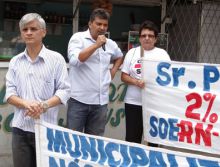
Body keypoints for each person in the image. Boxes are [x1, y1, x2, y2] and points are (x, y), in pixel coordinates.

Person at [5, 13, 70, 167]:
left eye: (33, 28)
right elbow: (9, 93)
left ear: (43, 32)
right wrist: (26, 104)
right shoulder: (15, 61)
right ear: (21, 33)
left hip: (46, 130)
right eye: (25, 29)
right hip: (20, 129)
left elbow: (64, 90)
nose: (28, 32)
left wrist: (43, 106)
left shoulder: (56, 59)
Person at [67, 8, 123, 136]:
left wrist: (112, 72)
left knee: (94, 144)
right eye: (99, 24)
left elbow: (119, 56)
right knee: (72, 142)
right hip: (78, 101)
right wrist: (96, 45)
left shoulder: (110, 44)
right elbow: (75, 61)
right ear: (90, 24)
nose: (102, 28)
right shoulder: (78, 38)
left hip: (100, 102)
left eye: (105, 25)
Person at [121, 20, 171, 144]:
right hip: (133, 103)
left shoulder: (162, 54)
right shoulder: (132, 53)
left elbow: (169, 78)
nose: (147, 38)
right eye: (144, 36)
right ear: (139, 38)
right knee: (132, 139)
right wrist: (135, 81)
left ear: (156, 39)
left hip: (155, 104)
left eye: (150, 36)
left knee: (154, 141)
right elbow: (123, 76)